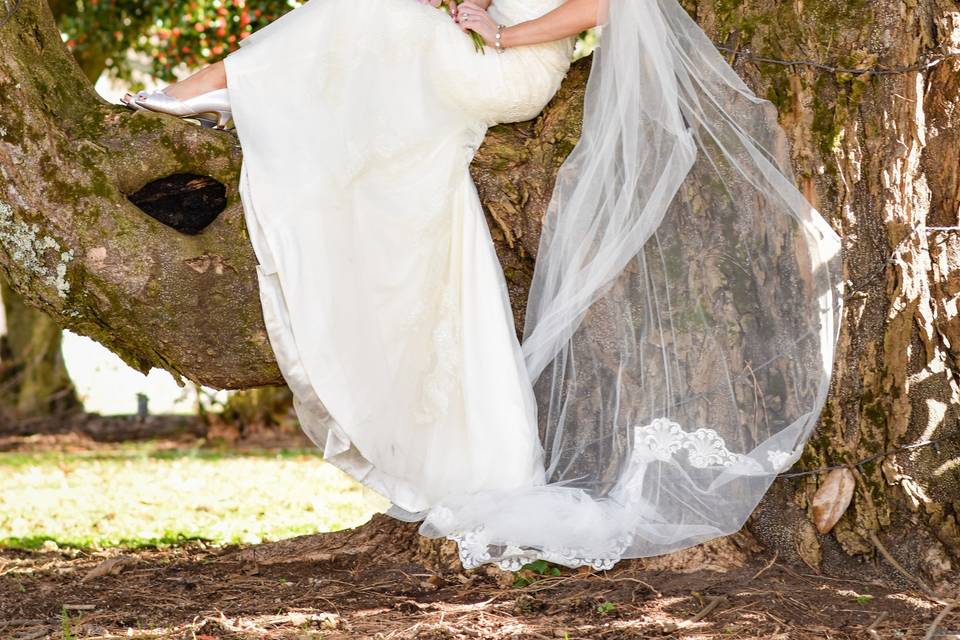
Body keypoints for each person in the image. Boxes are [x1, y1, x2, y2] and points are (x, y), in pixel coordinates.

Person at [122, 0, 845, 571]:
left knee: (363, 13)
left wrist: (502, 34)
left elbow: (611, 7)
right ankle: (234, 97)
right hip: (485, 48)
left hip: (514, 68)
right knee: (364, 25)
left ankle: (215, 89)